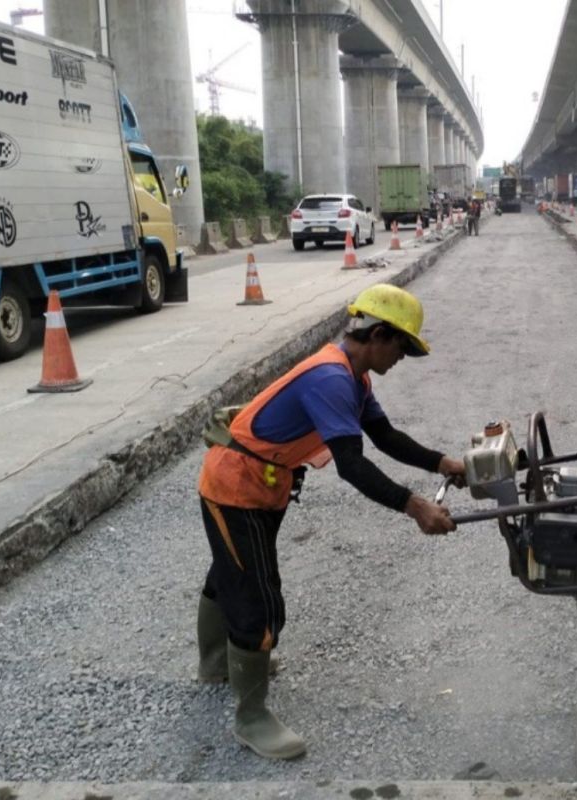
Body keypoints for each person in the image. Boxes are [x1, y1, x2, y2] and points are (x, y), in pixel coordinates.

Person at [195, 284, 466, 761]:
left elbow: (383, 436)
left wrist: (442, 463)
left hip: (260, 485)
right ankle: (250, 717)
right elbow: (352, 465)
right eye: (402, 347)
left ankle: (218, 664)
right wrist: (415, 506)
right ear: (378, 334)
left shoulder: (353, 377)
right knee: (258, 603)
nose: (402, 358)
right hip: (235, 488)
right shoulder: (330, 378)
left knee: (230, 574)